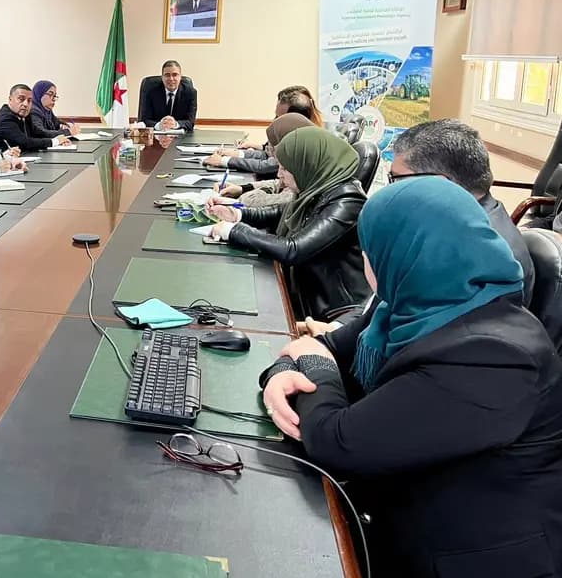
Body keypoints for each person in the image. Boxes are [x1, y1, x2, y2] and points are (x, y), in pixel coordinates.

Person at [260, 177, 562, 578]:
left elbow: (337, 440)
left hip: (466, 556)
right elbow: (325, 348)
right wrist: (284, 370)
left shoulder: (494, 356)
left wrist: (311, 363)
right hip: (401, 504)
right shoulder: (411, 302)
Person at [298, 118, 536, 338]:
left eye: (398, 180)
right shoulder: (444, 223)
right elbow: (387, 299)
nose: (391, 191)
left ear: (438, 184)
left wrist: (334, 347)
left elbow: (429, 336)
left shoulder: (478, 251)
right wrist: (338, 330)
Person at [206, 126, 370, 319]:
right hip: (302, 292)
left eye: (285, 168)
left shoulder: (347, 202)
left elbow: (294, 249)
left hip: (330, 315)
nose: (278, 175)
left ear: (306, 165)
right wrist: (237, 214)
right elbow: (282, 211)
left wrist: (234, 231)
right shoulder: (318, 186)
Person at [205, 86, 320, 173]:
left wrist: (224, 161)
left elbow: (269, 165)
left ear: (296, 118)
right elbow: (268, 154)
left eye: (279, 117)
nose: (275, 121)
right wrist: (237, 154)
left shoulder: (303, 143)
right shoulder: (295, 131)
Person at [217, 113, 316, 208]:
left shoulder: (305, 187)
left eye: (284, 168)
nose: (279, 174)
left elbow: (249, 201)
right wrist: (242, 188)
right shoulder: (305, 164)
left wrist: (260, 191)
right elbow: (278, 183)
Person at [0, 84, 71, 152]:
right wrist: (54, 142)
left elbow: (37, 133)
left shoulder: (24, 114)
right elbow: (24, 142)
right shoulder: (5, 119)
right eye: (21, 99)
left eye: (29, 100)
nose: (26, 104)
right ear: (10, 99)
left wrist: (60, 138)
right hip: (0, 164)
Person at [138, 60, 197, 132]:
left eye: (175, 75)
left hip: (180, 137)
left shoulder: (190, 93)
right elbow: (144, 120)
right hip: (156, 135)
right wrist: (159, 125)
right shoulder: (151, 92)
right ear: (162, 77)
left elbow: (190, 122)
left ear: (180, 77)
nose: (171, 79)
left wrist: (175, 124)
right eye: (167, 75)